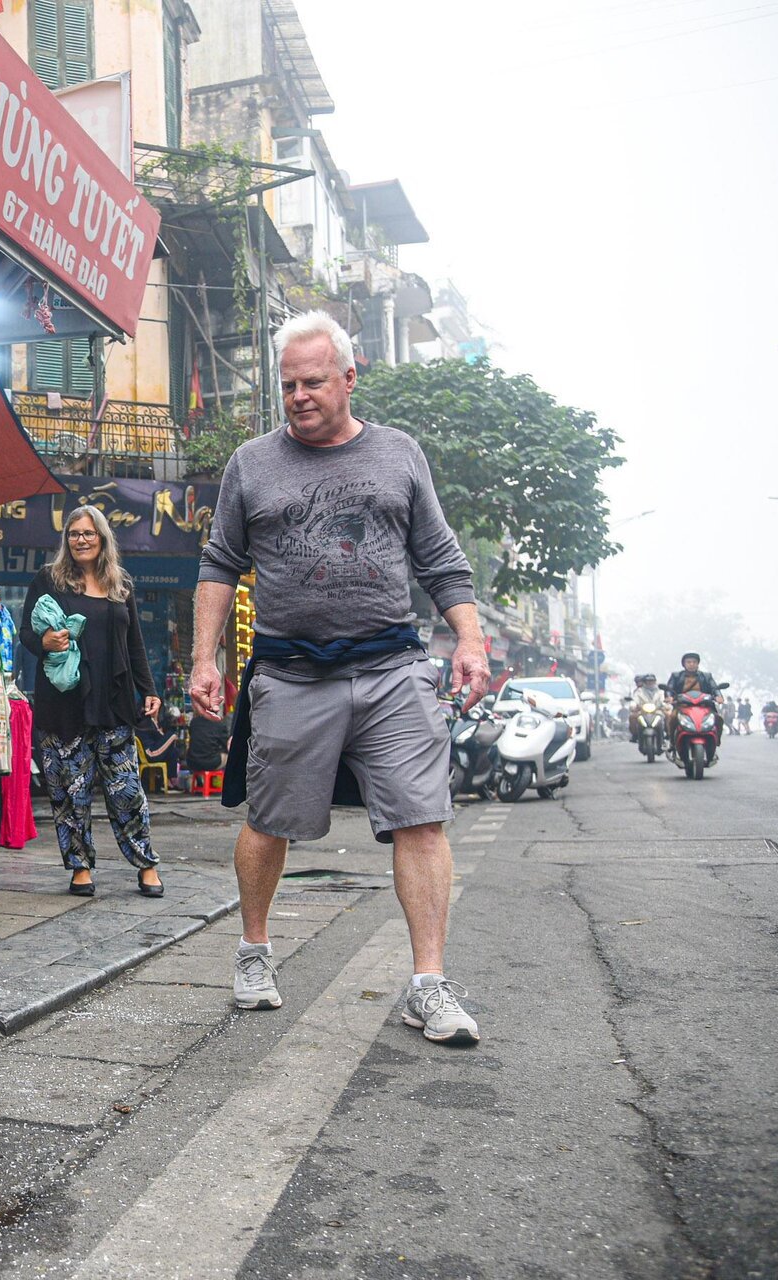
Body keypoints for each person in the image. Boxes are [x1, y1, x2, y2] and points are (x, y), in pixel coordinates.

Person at [188, 309, 491, 1047]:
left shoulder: (399, 454)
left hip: (391, 666)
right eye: (288, 384)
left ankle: (428, 983)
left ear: (350, 378)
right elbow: (220, 565)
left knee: (422, 817)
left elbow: (440, 558)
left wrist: (470, 640)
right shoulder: (252, 464)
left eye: (314, 382)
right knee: (269, 820)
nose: (298, 396)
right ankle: (255, 953)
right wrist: (205, 658)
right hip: (291, 674)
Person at [19, 507, 166, 898]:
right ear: (66, 539)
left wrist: (148, 689)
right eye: (73, 534)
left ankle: (146, 863)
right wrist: (44, 642)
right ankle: (80, 867)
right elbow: (26, 634)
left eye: (88, 533)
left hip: (114, 704)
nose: (80, 540)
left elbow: (134, 644)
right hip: (64, 705)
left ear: (102, 538)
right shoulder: (48, 580)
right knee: (69, 792)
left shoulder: (120, 584)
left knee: (126, 789)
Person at [664, 652, 721, 745]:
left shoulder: (706, 676)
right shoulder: (676, 676)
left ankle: (716, 740)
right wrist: (669, 697)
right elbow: (669, 688)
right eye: (689, 662)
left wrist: (718, 696)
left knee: (718, 718)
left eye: (694, 662)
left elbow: (714, 688)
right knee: (672, 718)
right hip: (682, 706)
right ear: (684, 664)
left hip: (704, 706)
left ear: (698, 663)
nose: (691, 664)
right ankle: (672, 742)